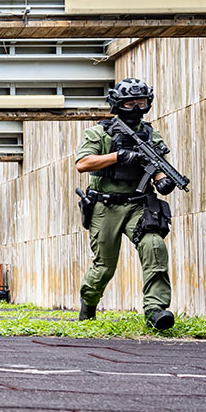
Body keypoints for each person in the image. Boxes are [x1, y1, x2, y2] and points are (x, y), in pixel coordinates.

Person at [74, 78, 179, 330]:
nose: (135, 108)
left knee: (154, 246)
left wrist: (162, 180)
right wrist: (117, 156)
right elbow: (83, 163)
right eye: (129, 103)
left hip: (138, 204)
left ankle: (156, 310)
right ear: (117, 104)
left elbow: (158, 167)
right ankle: (88, 304)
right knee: (104, 266)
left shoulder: (151, 134)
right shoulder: (99, 133)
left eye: (140, 102)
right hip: (105, 206)